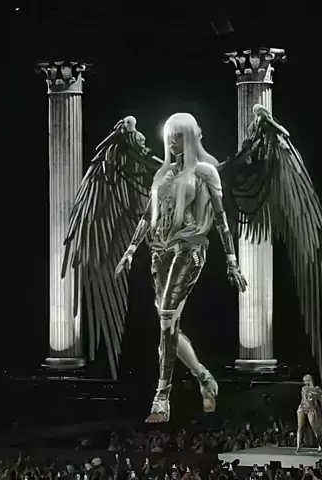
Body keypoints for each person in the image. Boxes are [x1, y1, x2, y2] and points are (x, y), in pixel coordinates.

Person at [114, 113, 247, 423]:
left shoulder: (204, 172)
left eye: (177, 135)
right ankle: (203, 376)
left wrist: (231, 261)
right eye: (169, 136)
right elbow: (148, 215)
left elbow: (220, 219)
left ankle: (162, 396)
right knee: (168, 322)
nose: (171, 142)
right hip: (159, 251)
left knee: (166, 316)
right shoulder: (163, 174)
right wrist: (130, 250)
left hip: (190, 246)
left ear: (187, 136)